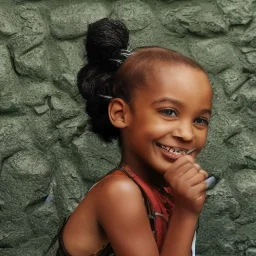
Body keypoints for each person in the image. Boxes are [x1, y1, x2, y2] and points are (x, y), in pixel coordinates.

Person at [56, 17, 213, 256]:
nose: (187, 133)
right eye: (169, 112)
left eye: (200, 120)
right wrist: (186, 212)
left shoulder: (168, 190)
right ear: (120, 114)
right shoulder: (120, 193)